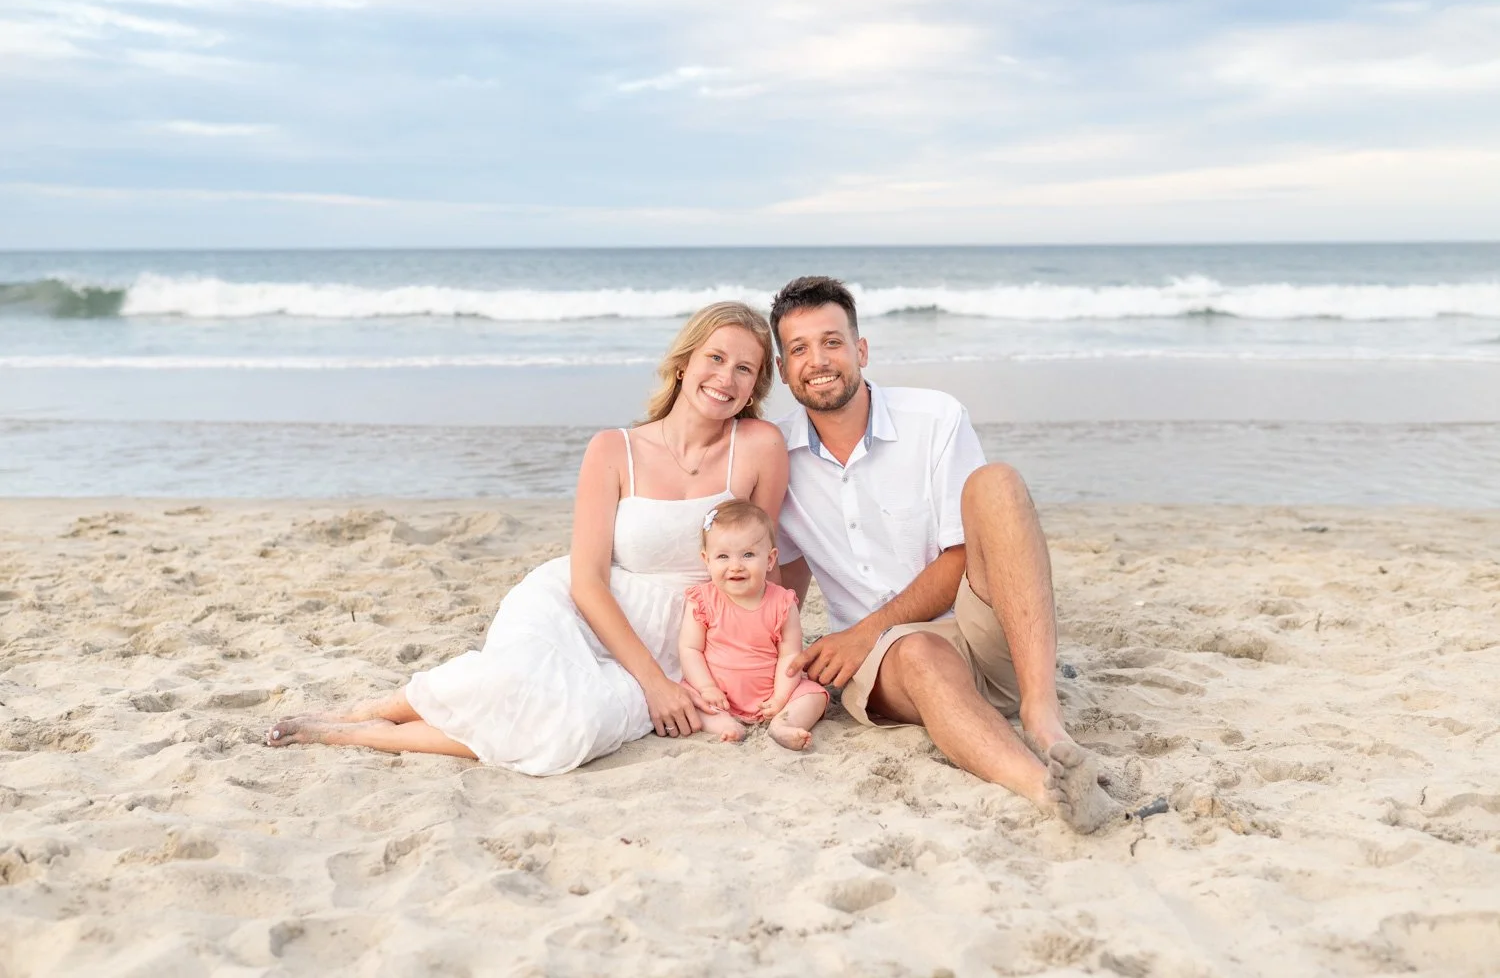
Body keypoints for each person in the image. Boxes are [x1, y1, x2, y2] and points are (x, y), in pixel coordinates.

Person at [265, 301, 789, 775]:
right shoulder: (613, 449)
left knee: (576, 728)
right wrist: (653, 683)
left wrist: (769, 656)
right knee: (512, 680)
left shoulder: (761, 446)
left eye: (745, 368)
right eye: (715, 358)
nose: (726, 377)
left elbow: (767, 569)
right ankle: (370, 714)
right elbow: (587, 580)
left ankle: (375, 736)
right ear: (684, 361)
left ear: (756, 386)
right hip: (582, 606)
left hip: (682, 635)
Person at [768, 276, 1118, 833]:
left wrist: (863, 631)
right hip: (893, 665)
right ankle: (1049, 791)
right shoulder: (776, 455)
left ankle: (1041, 713)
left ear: (860, 350)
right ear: (784, 371)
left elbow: (961, 555)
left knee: (996, 483)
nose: (818, 360)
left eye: (832, 341)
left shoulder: (933, 418)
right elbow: (781, 582)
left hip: (981, 626)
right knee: (918, 653)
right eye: (799, 349)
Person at [677, 498, 828, 750]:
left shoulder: (782, 602)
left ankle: (783, 723)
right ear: (706, 560)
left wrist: (780, 697)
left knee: (815, 695)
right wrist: (706, 687)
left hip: (770, 691)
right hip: (718, 694)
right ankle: (726, 726)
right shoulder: (702, 600)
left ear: (770, 560)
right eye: (723, 556)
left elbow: (789, 655)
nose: (735, 566)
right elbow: (690, 649)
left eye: (748, 555)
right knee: (690, 699)